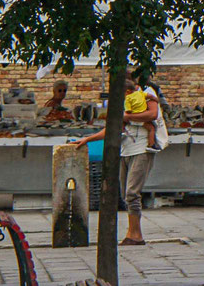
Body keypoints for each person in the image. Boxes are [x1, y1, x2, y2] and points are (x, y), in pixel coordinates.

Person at [64, 75, 163, 245]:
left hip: (141, 148)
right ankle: (133, 232)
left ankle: (135, 234)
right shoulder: (120, 99)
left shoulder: (145, 92)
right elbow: (112, 127)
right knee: (125, 192)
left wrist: (127, 117)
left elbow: (153, 114)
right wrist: (88, 139)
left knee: (132, 192)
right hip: (125, 148)